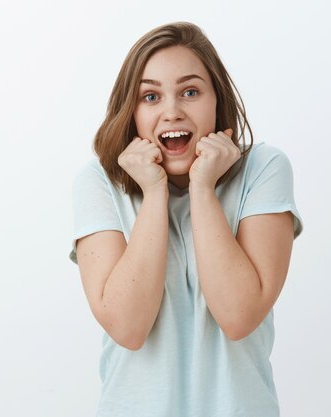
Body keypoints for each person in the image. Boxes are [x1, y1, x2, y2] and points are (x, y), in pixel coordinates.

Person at [69, 21, 304, 417]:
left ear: (216, 99)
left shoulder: (263, 168)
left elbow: (238, 317)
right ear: (132, 110)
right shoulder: (99, 183)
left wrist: (202, 188)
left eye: (190, 92)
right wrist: (155, 191)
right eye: (150, 96)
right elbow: (128, 328)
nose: (171, 111)